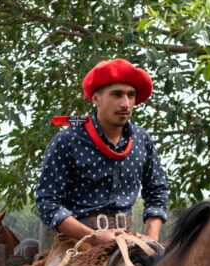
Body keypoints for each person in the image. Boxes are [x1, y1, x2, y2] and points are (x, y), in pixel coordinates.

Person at [35, 58, 168, 246]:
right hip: (75, 241)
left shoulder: (142, 139)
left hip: (126, 241)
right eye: (117, 95)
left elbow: (157, 191)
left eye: (131, 95)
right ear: (96, 98)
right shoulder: (68, 140)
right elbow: (48, 203)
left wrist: (152, 237)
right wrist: (93, 236)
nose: (125, 103)